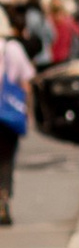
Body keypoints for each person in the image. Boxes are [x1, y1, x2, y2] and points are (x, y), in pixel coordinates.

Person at [0, 17, 33, 221]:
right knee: (5, 159)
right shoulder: (13, 49)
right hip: (8, 115)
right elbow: (25, 82)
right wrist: (26, 110)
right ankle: (3, 200)